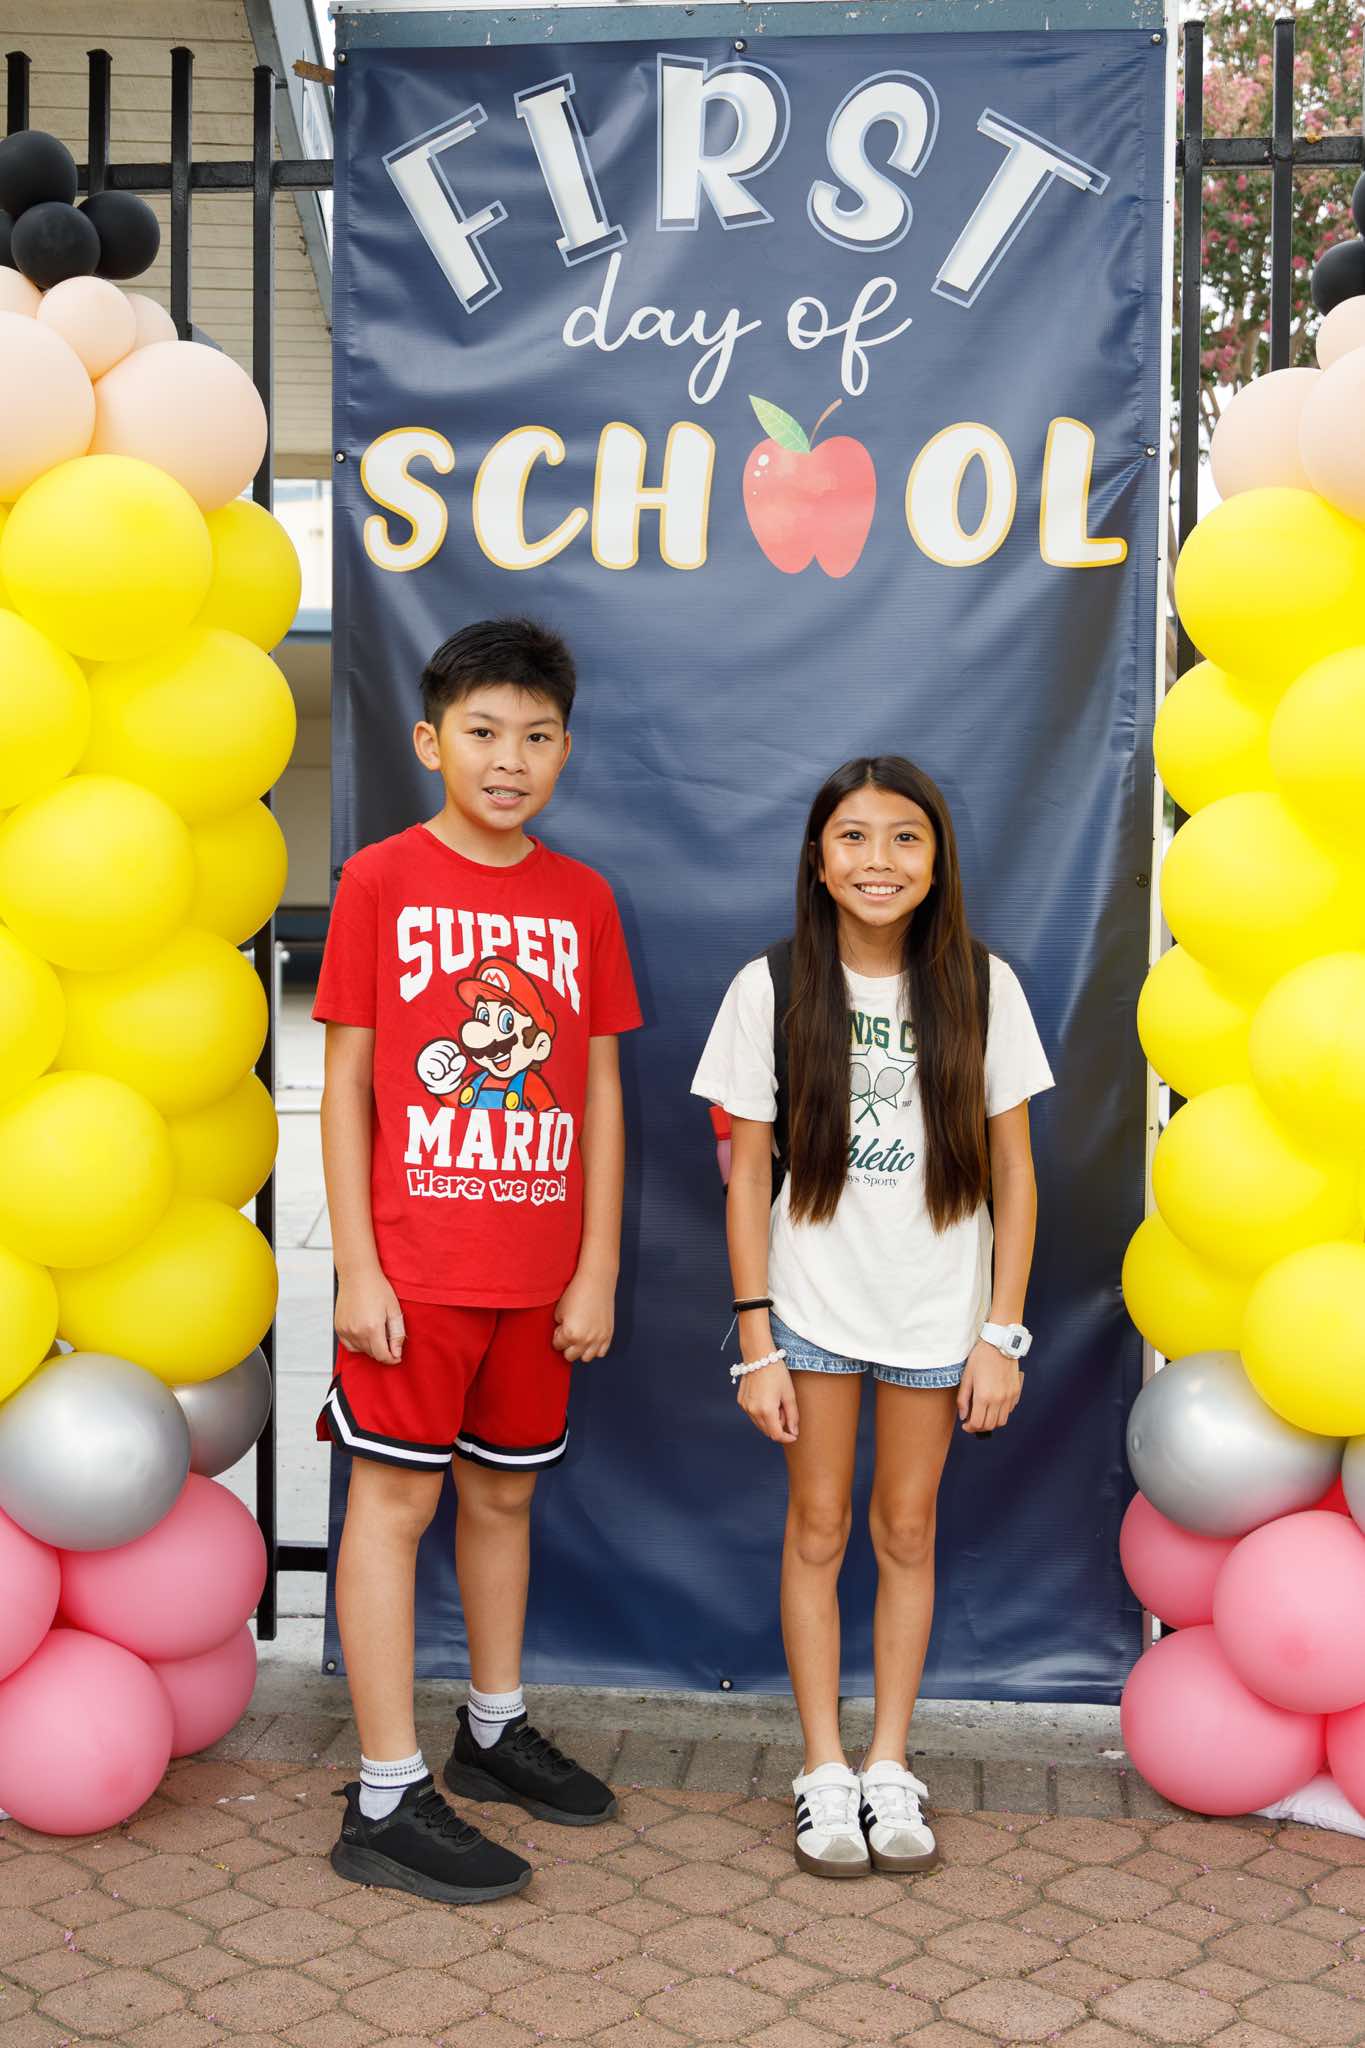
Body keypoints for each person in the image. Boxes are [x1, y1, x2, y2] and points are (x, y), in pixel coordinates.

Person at [314, 617, 642, 1905]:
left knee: (503, 1499)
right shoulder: (380, 879)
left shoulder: (584, 898)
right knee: (394, 1507)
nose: (511, 759)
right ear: (430, 739)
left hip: (537, 1275)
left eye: (538, 736)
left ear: (565, 748)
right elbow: (346, 1083)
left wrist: (594, 1263)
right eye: (485, 732)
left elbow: (600, 1091)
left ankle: (491, 1731)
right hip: (414, 1269)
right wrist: (357, 1266)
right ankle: (384, 1793)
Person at [691, 755, 1053, 1880]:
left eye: (905, 837)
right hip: (810, 1309)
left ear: (937, 859)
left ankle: (890, 1761)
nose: (878, 860)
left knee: (906, 1530)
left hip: (938, 1316)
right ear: (818, 859)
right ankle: (823, 1768)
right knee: (817, 1527)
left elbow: (1014, 1172)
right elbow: (747, 1176)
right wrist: (756, 1340)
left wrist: (1001, 1332)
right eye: (853, 836)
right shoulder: (770, 985)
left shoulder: (983, 986)